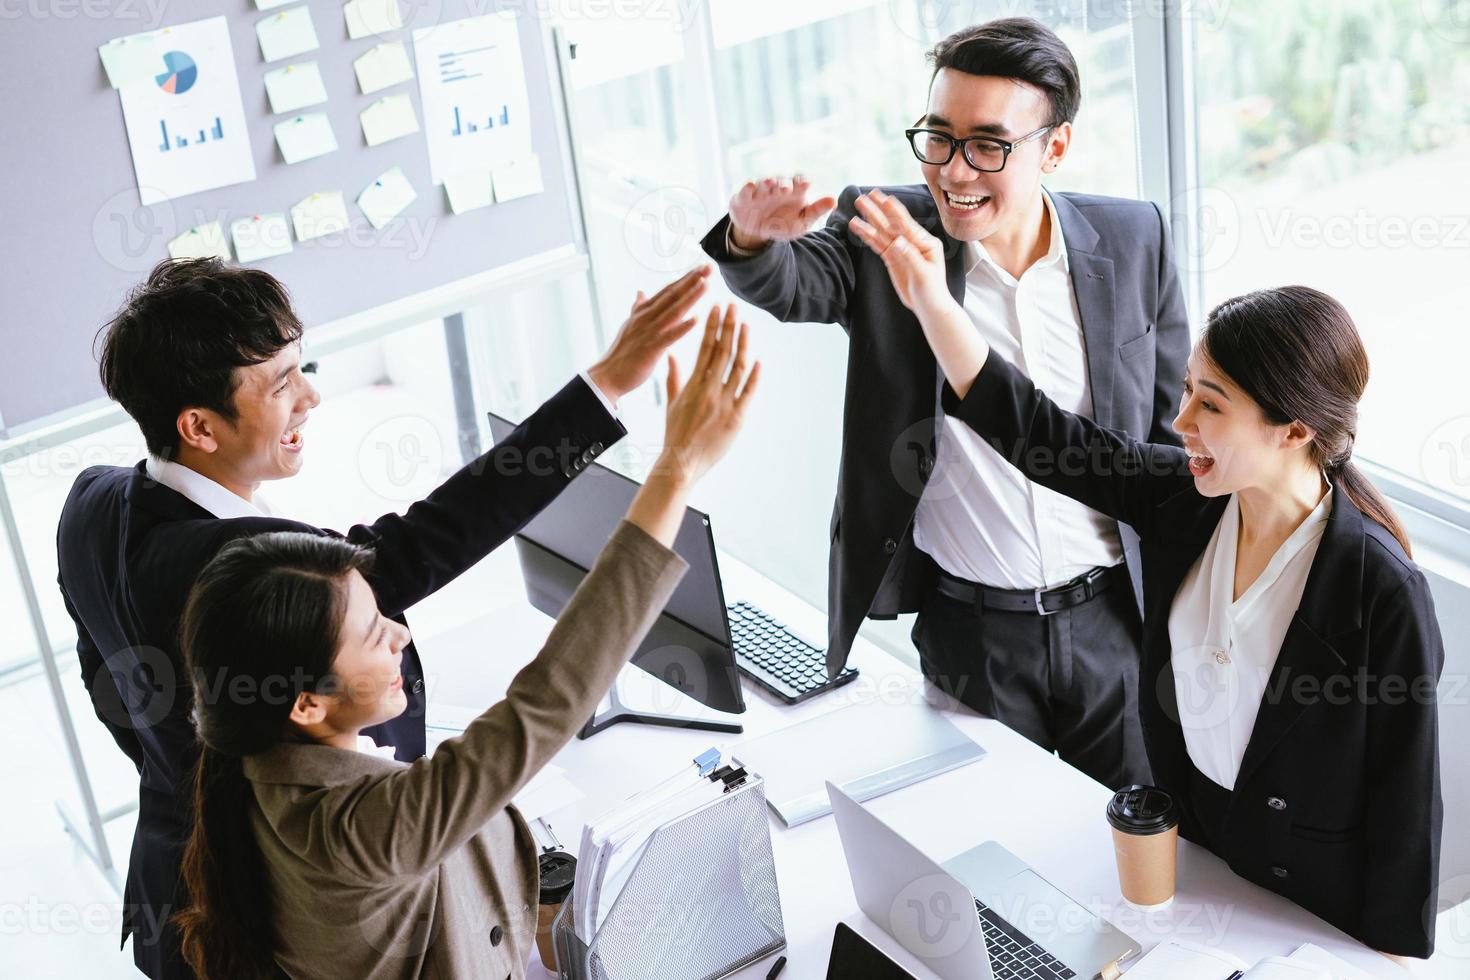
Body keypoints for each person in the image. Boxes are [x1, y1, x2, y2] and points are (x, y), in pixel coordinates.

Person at [55, 256, 713, 978]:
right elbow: (419, 548)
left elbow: (114, 690)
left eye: (303, 367)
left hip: (179, 895)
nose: (309, 397)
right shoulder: (240, 568)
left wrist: (188, 769)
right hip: (282, 923)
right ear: (199, 427)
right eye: (281, 383)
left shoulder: (94, 504)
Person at [848, 186, 1443, 958]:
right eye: (1189, 390)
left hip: (1309, 916)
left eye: (1211, 405)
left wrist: (1386, 963)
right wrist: (932, 302)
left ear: (1293, 428)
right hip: (1192, 866)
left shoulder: (1379, 587)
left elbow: (1406, 812)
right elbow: (1035, 429)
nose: (1180, 420)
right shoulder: (1182, 500)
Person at [701, 17, 1190, 789]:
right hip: (973, 634)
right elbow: (794, 285)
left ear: (1053, 148)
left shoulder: (1133, 238)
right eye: (938, 137)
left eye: (989, 145)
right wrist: (752, 244)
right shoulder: (889, 231)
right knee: (991, 862)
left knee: (1135, 859)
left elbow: (1170, 435)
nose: (956, 172)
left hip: (1113, 624)